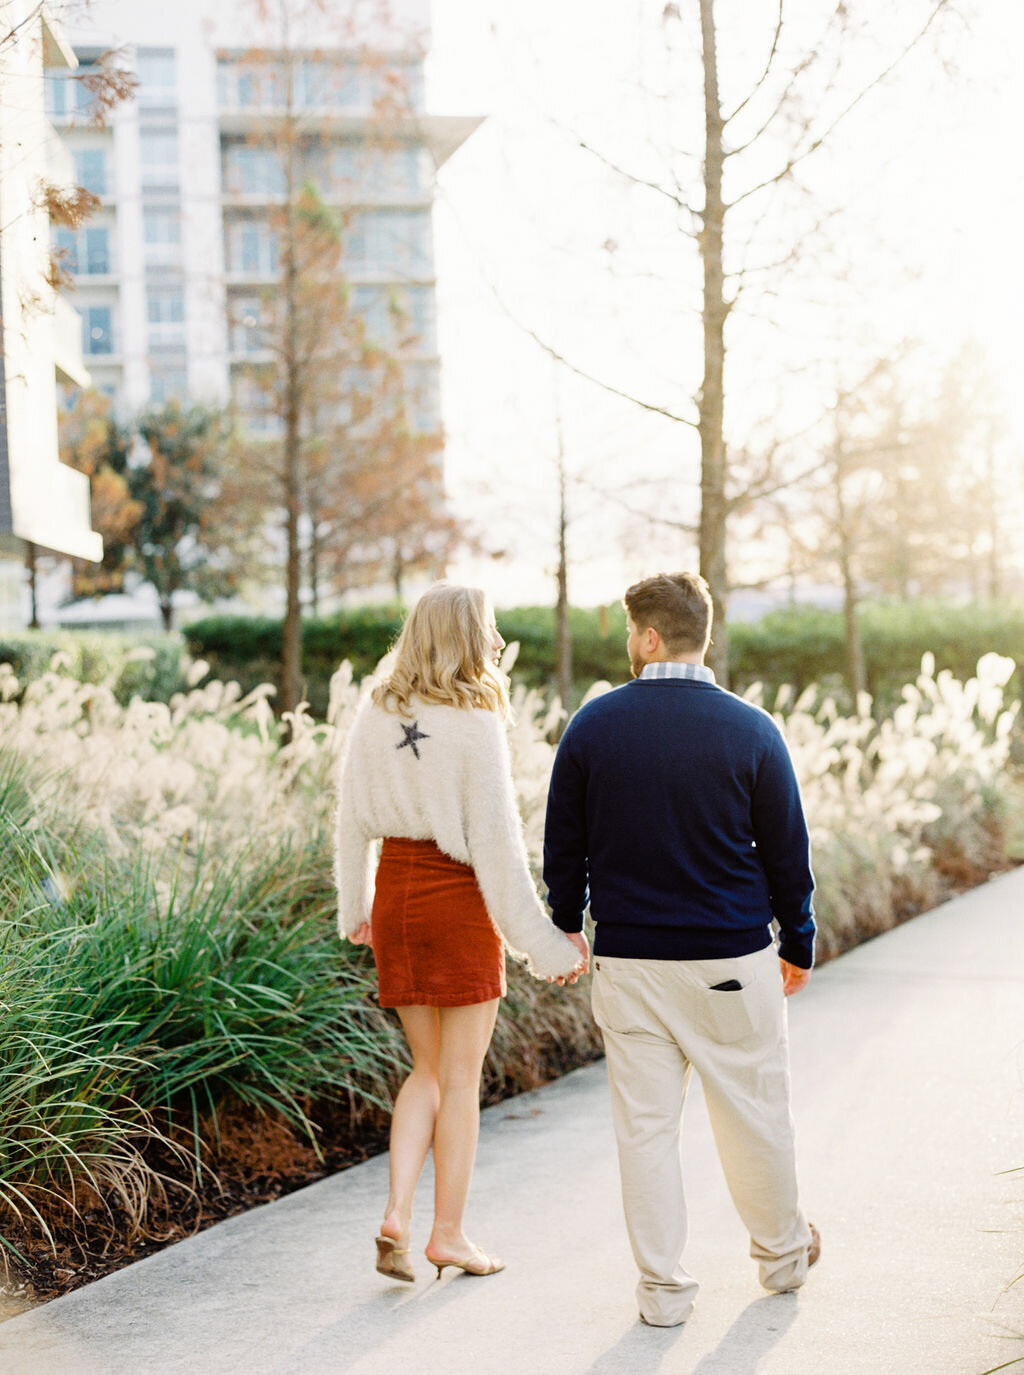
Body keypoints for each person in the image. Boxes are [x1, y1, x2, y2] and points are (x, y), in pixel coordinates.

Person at [543, 571, 820, 1327]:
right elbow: (788, 856)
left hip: (630, 966)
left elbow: (562, 845)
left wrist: (566, 919)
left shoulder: (593, 727)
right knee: (755, 1112)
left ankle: (663, 1291)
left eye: (632, 631)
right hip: (732, 961)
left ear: (651, 636)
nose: (629, 643)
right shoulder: (752, 729)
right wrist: (797, 940)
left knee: (645, 1130)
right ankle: (782, 1256)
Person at [334, 581, 582, 1284]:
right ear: (466, 637)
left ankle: (395, 1213)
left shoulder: (375, 711)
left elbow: (350, 819)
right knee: (462, 1079)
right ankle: (448, 1234)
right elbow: (499, 853)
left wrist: (354, 905)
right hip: (457, 897)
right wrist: (548, 945)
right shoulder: (475, 721)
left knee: (427, 1070)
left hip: (397, 899)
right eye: (491, 629)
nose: (498, 643)